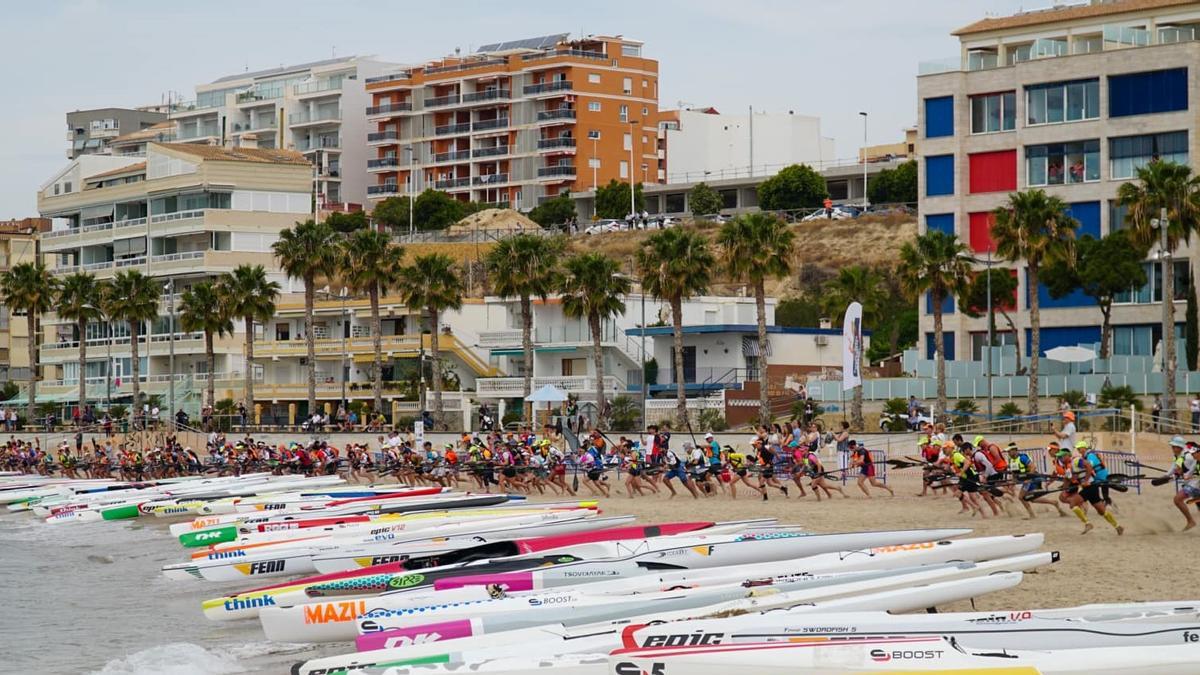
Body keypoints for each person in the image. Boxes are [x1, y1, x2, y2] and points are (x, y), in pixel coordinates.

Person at [1065, 442, 1123, 535]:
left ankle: (1088, 524)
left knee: (1073, 503)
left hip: (1094, 482)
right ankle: (1118, 527)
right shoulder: (1073, 464)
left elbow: (1089, 466)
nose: (1078, 450)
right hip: (1093, 484)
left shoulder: (1081, 458)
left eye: (1080, 448)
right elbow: (1076, 476)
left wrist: (1085, 480)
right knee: (1101, 511)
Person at [1010, 443, 1066, 518]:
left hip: (1033, 479)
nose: (1008, 453)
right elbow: (1014, 473)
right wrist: (1013, 481)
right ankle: (1053, 503)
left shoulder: (1022, 457)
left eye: (1009, 451)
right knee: (1030, 498)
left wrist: (1028, 479)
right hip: (1029, 479)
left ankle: (1032, 515)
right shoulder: (1012, 460)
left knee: (1022, 497)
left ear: (1014, 450)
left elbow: (1033, 467)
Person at [1171, 443, 1200, 531]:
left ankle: (1191, 521)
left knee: (1177, 499)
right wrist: (1179, 475)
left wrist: (1191, 476)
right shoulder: (1196, 461)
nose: (1192, 455)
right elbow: (1189, 472)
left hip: (1196, 487)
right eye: (1191, 453)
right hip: (1194, 486)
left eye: (1194, 453)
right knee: (1177, 499)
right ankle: (1191, 521)